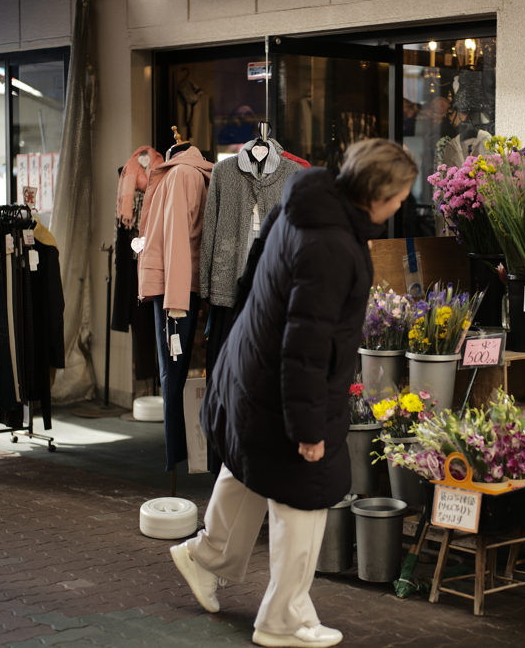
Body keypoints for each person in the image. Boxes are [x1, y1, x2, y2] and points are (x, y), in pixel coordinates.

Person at [170, 139, 418, 648]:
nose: (401, 206)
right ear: (375, 192)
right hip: (282, 382)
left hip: (252, 368)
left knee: (250, 467)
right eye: (398, 196)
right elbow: (306, 344)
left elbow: (253, 276)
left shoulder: (305, 198)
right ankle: (283, 620)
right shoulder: (333, 243)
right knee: (303, 495)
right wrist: (308, 429)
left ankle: (204, 557)